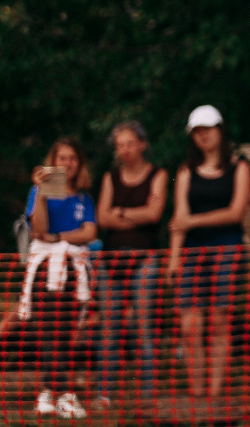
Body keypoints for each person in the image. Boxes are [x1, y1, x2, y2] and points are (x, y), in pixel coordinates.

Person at [166, 105, 250, 406]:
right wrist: (174, 259)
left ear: (220, 130)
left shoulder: (239, 167)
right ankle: (196, 394)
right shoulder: (185, 171)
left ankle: (215, 394)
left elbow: (236, 212)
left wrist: (194, 222)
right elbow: (179, 218)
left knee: (219, 322)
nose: (203, 135)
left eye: (208, 129)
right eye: (197, 131)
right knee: (190, 325)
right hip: (190, 253)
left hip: (227, 250)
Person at [20, 137, 97, 420]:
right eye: (62, 157)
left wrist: (59, 237)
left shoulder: (83, 198)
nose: (67, 163)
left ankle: (54, 391)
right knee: (47, 331)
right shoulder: (37, 192)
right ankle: (58, 391)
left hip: (72, 271)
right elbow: (38, 230)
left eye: (72, 158)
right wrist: (40, 191)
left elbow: (89, 232)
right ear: (53, 160)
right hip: (44, 271)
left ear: (79, 164)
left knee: (65, 332)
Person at [95, 120, 168, 407]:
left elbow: (155, 214)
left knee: (143, 326)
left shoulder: (158, 174)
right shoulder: (110, 177)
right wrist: (138, 212)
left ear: (141, 144)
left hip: (144, 259)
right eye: (119, 145)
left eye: (128, 143)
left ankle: (147, 393)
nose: (123, 149)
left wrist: (121, 211)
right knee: (109, 327)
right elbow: (102, 218)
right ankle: (105, 392)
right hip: (110, 260)